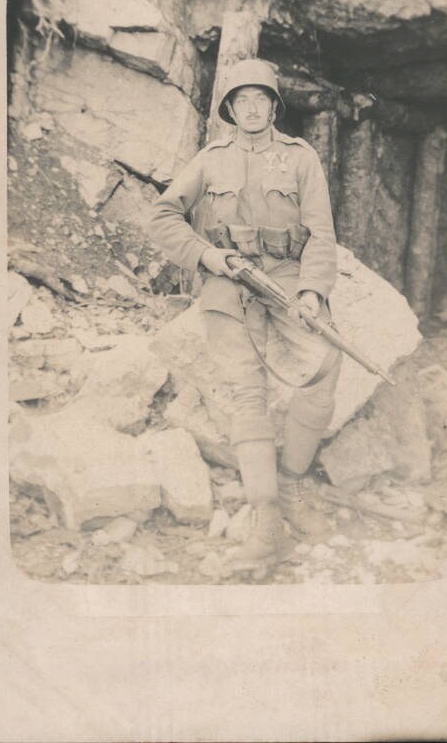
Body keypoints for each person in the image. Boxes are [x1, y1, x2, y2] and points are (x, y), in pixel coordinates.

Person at [147, 58, 342, 571]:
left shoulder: (300, 158)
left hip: (285, 281)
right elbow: (163, 216)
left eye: (261, 99)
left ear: (274, 106)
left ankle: (294, 481)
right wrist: (210, 257)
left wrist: (312, 294)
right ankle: (267, 517)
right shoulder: (210, 159)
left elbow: (321, 234)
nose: (252, 108)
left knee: (324, 368)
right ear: (230, 109)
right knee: (245, 391)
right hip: (225, 288)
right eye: (242, 100)